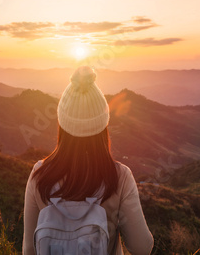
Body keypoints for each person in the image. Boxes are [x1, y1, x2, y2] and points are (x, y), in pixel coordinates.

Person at [23, 66, 154, 255]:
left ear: (62, 125)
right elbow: (142, 247)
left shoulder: (39, 175)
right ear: (103, 127)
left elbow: (29, 249)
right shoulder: (119, 177)